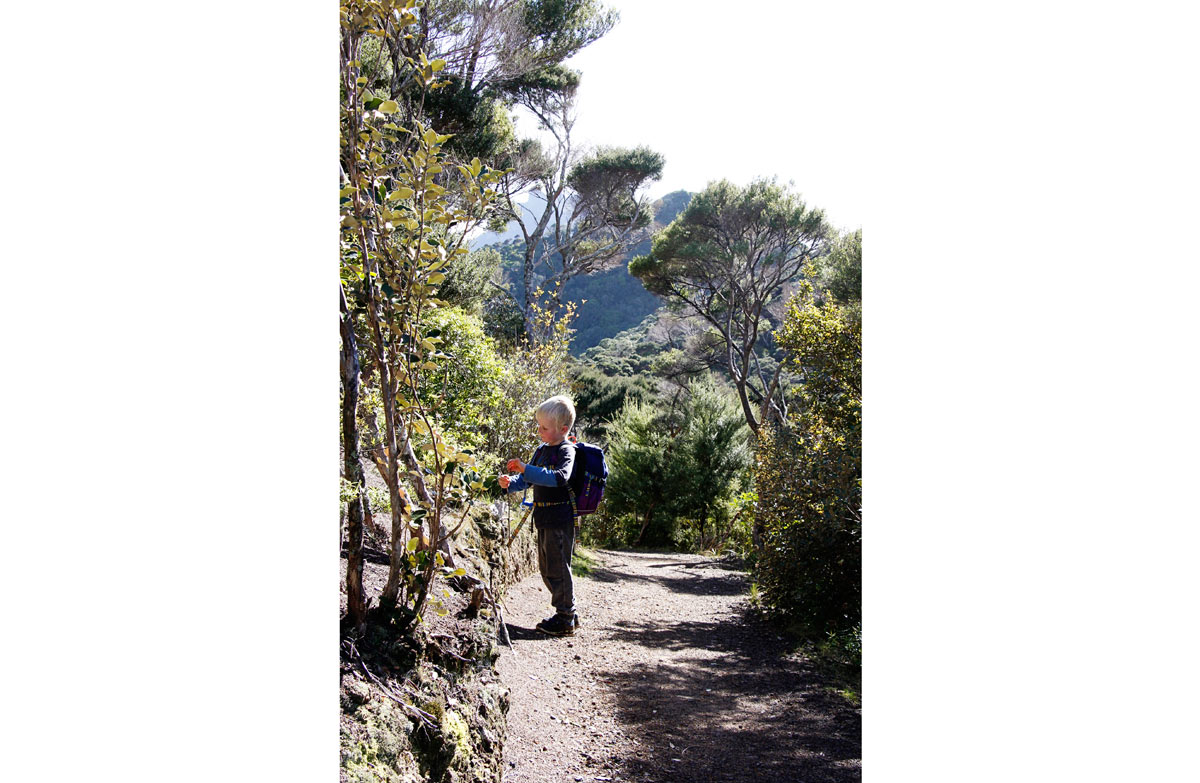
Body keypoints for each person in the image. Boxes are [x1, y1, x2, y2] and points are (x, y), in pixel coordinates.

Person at [499, 395, 580, 636]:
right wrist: (510, 483)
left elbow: (560, 477)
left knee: (558, 569)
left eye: (544, 427)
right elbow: (527, 480)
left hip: (560, 519)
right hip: (543, 517)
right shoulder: (542, 450)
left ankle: (565, 618)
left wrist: (526, 468)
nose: (539, 431)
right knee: (547, 569)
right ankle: (569, 614)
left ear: (563, 429)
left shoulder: (566, 450)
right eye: (539, 425)